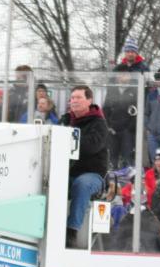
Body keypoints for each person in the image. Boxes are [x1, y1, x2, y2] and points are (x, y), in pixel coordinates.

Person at [59, 85, 109, 246]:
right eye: (72, 98)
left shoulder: (98, 123)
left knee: (82, 184)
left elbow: (91, 146)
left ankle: (71, 230)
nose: (74, 101)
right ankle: (51, 224)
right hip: (67, 172)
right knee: (51, 182)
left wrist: (69, 139)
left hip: (92, 174)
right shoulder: (65, 121)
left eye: (79, 97)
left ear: (89, 100)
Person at [104, 64, 139, 169]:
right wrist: (108, 126)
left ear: (130, 76)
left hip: (128, 131)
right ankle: (113, 177)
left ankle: (127, 178)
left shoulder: (136, 89)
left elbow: (138, 110)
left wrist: (130, 127)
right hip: (113, 130)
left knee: (127, 158)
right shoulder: (112, 89)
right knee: (112, 158)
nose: (122, 76)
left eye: (125, 74)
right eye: (120, 74)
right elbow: (106, 108)